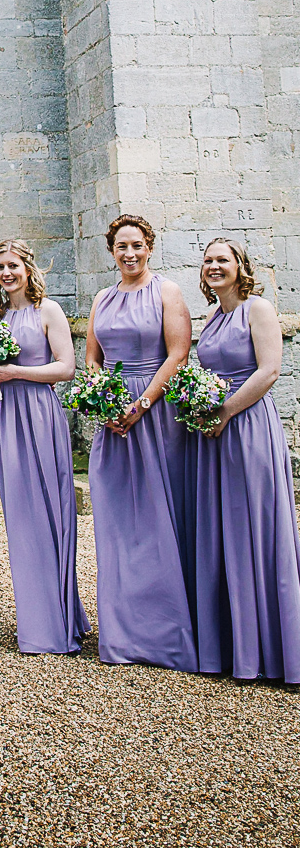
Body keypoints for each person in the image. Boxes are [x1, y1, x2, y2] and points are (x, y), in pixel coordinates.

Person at [86, 213, 196, 670]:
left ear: (149, 246)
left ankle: (166, 633)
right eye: (121, 247)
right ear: (112, 252)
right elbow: (92, 357)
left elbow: (178, 352)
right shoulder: (102, 298)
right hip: (112, 415)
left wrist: (142, 404)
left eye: (136, 245)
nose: (129, 254)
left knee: (156, 517)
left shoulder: (167, 292)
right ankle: (123, 633)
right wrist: (105, 401)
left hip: (155, 412)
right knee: (116, 521)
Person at [193, 236, 300, 684]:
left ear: (241, 266)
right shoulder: (214, 316)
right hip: (213, 432)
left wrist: (225, 411)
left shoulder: (257, 308)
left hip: (248, 425)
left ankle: (271, 650)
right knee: (222, 529)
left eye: (223, 260)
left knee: (254, 524)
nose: (214, 267)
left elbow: (269, 370)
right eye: (208, 261)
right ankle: (233, 645)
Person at [0, 240, 88, 655]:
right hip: (7, 416)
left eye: (13, 265)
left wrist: (14, 372)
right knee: (21, 513)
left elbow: (66, 367)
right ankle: (35, 616)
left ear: (28, 268)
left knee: (50, 510)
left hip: (39, 413)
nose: (6, 273)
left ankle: (58, 620)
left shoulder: (48, 310)